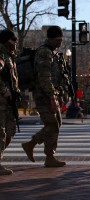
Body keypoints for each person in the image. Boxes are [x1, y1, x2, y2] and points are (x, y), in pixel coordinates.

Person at [22, 26, 67, 167]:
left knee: (56, 123)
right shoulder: (44, 52)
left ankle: (34, 146)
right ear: (52, 38)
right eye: (59, 39)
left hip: (51, 93)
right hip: (44, 94)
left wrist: (58, 93)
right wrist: (52, 96)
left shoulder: (53, 52)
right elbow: (44, 77)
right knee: (52, 124)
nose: (61, 42)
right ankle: (46, 154)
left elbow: (55, 77)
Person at [0, 29, 21, 175]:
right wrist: (4, 90)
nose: (15, 43)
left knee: (10, 131)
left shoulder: (9, 56)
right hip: (1, 100)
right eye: (13, 40)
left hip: (8, 102)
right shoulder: (1, 55)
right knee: (1, 133)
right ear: (7, 41)